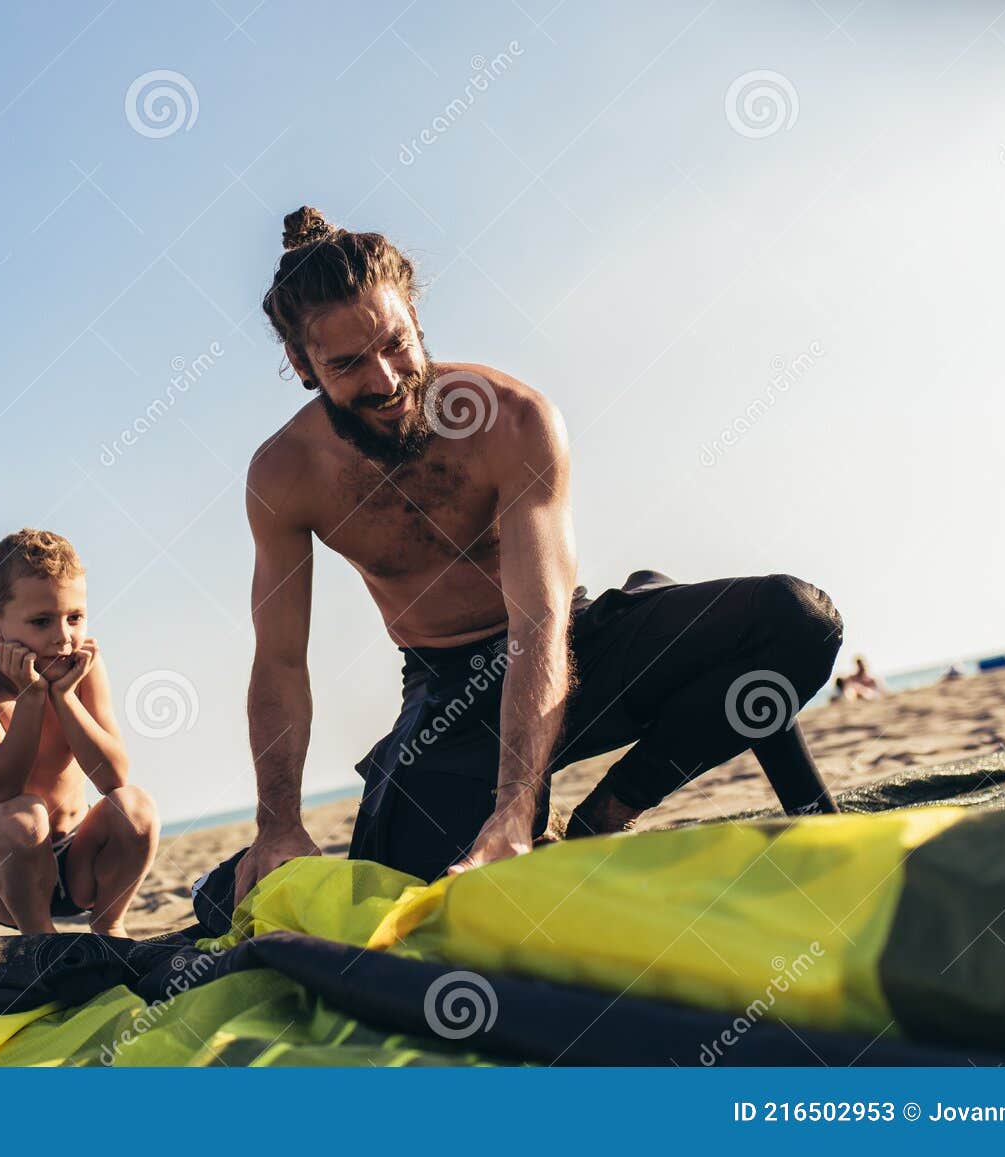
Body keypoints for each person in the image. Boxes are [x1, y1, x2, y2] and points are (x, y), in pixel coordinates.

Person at [219, 206, 844, 908]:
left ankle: (606, 812)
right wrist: (278, 823)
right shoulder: (285, 475)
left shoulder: (512, 418)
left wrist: (516, 808)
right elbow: (278, 660)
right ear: (303, 365)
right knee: (421, 892)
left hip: (567, 645)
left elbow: (541, 622)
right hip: (448, 697)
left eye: (395, 344)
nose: (387, 381)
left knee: (797, 620)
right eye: (348, 364)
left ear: (417, 319)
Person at [0, 529, 159, 936]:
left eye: (74, 618)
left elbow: (113, 778)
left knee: (136, 807)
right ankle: (40, 940)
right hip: (7, 869)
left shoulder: (84, 666)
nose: (62, 638)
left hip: (80, 860)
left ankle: (109, 925)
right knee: (24, 816)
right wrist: (31, 697)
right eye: (42, 622)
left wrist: (64, 696)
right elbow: (2, 790)